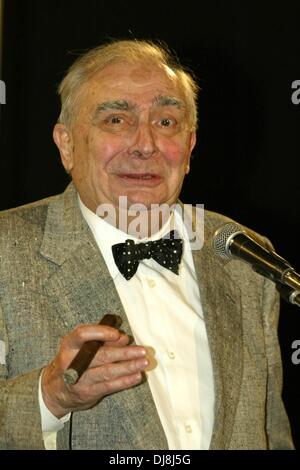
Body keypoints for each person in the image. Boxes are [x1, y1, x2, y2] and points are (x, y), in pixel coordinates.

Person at [0, 39, 294, 450]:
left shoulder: (243, 254)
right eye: (116, 120)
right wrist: (49, 396)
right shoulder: (6, 252)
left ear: (189, 148)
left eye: (166, 122)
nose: (145, 145)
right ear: (67, 145)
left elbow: (270, 433)